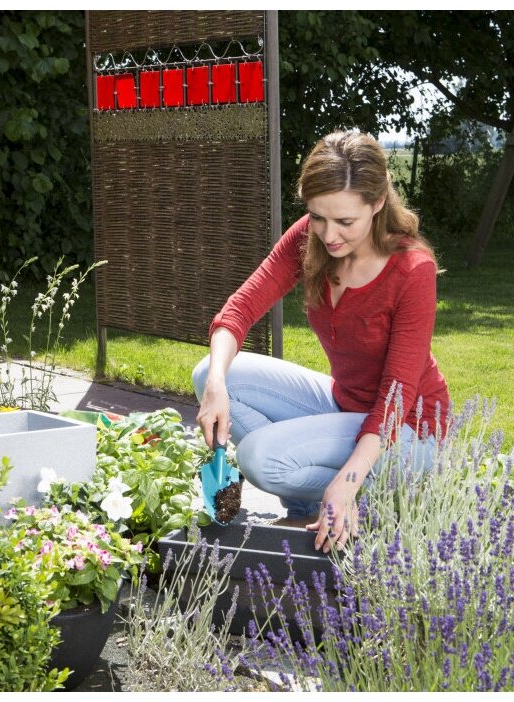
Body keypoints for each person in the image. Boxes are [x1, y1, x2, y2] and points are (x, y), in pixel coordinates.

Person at [192, 129, 450, 553]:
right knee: (208, 373)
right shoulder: (310, 238)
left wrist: (348, 480)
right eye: (317, 217)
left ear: (378, 203)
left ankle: (355, 498)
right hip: (345, 403)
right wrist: (217, 385)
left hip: (408, 430)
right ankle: (308, 508)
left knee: (260, 459)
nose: (329, 235)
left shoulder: (410, 269)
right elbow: (240, 308)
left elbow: (396, 397)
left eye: (345, 222)